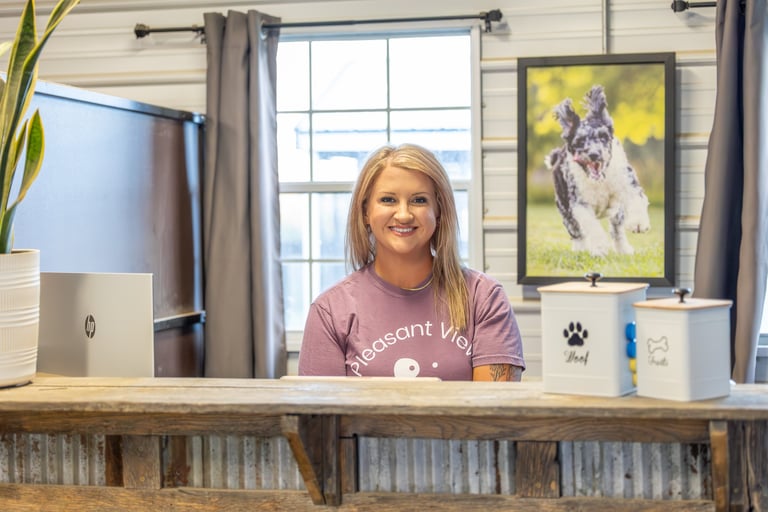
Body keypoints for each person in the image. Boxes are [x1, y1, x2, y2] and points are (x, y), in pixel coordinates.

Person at [298, 143, 525, 381]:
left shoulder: (484, 298)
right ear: (365, 212)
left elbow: (494, 403)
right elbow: (322, 406)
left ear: (439, 211)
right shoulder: (330, 311)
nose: (404, 215)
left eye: (419, 200)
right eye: (388, 199)